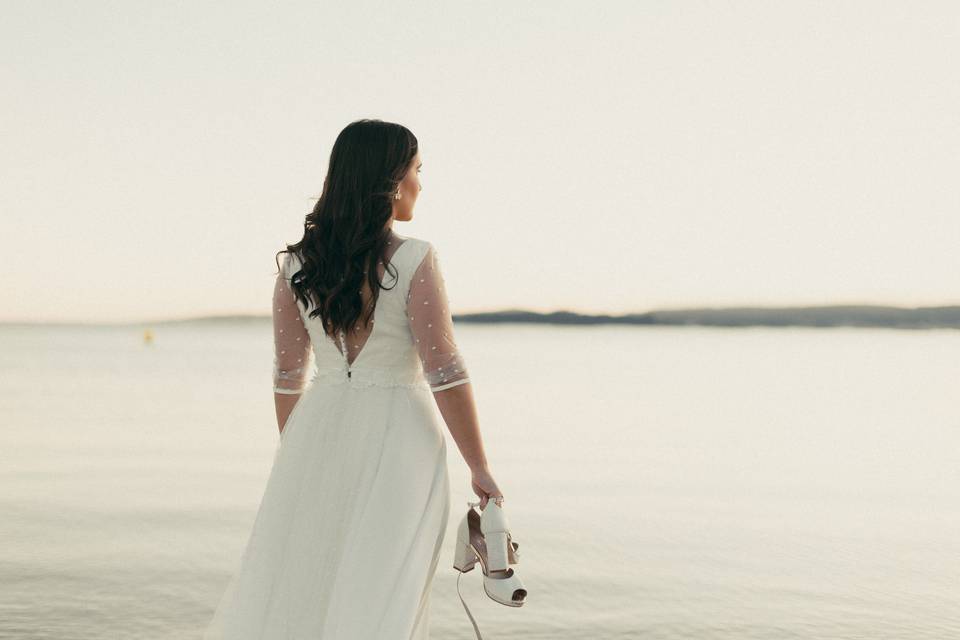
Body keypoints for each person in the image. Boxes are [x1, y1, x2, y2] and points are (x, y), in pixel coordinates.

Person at [202, 119, 504, 639]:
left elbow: (287, 378)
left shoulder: (297, 267)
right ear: (389, 180)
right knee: (387, 587)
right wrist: (480, 468)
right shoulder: (415, 258)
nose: (420, 184)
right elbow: (445, 372)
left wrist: (300, 453)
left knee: (309, 583)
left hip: (316, 434)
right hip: (400, 439)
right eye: (416, 170)